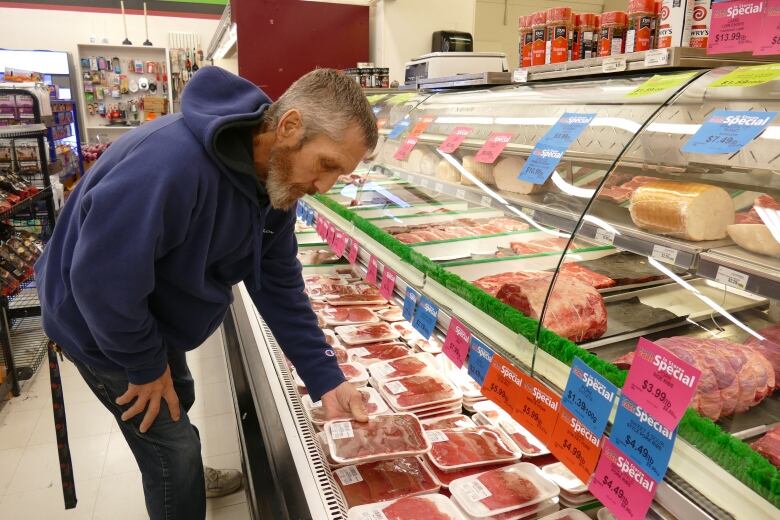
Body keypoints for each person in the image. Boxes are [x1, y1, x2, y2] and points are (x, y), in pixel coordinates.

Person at [35, 66, 377, 519]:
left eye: (341, 173)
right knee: (167, 447)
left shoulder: (273, 181)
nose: (324, 186)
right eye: (327, 164)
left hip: (151, 308)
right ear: (290, 126)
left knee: (178, 398)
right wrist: (143, 364)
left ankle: (187, 464)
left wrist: (325, 377)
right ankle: (181, 470)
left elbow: (277, 281)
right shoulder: (168, 165)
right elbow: (100, 283)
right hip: (95, 321)